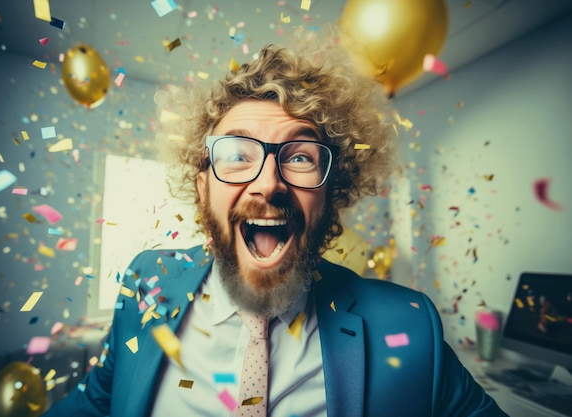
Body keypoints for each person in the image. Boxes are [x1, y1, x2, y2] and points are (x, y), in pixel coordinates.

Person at [42, 27, 508, 417]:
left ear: (332, 191)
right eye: (237, 154)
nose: (268, 185)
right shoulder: (147, 283)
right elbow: (97, 402)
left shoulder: (407, 326)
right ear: (202, 185)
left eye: (300, 157)